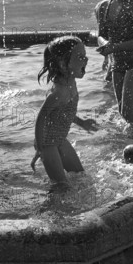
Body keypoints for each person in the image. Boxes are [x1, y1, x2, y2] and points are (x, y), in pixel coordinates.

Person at [31, 36, 97, 185]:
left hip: (60, 139)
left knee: (80, 176)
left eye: (85, 56)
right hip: (47, 144)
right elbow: (41, 118)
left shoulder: (71, 82)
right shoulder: (58, 92)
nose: (86, 60)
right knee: (62, 186)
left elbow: (63, 112)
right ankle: (51, 206)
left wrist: (82, 123)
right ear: (63, 64)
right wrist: (40, 149)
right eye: (80, 57)